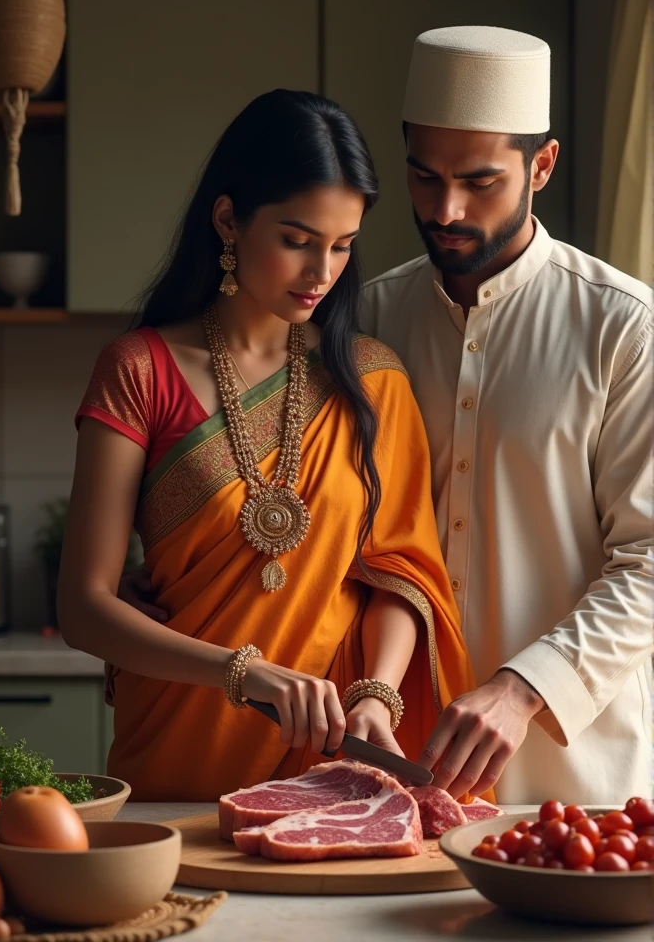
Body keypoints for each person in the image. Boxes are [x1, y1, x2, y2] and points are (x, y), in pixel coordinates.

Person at [57, 89, 482, 802]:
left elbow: (402, 571)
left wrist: (376, 695)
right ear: (229, 220)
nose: (323, 271)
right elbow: (84, 605)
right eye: (297, 239)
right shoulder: (139, 370)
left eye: (343, 246)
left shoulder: (371, 380)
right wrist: (242, 672)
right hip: (177, 760)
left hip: (332, 773)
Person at [363, 26, 653, 804]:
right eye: (424, 177)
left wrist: (526, 686)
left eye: (480, 182)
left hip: (576, 787)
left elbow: (650, 560)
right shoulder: (366, 318)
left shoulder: (624, 326)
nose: (446, 208)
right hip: (397, 766)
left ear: (543, 165)